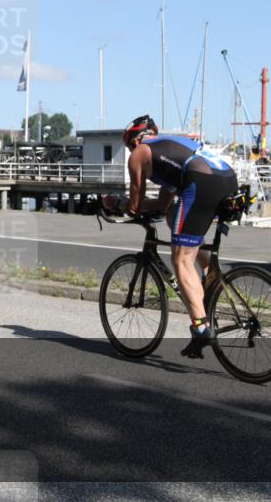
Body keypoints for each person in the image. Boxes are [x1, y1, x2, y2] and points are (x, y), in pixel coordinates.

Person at [103, 115, 238, 359]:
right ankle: (209, 278)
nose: (131, 152)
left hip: (201, 181)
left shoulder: (140, 154)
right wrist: (142, 207)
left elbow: (134, 207)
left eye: (129, 146)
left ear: (136, 140)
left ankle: (201, 328)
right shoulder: (170, 150)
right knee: (174, 215)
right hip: (227, 179)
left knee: (181, 260)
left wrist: (115, 203)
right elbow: (162, 204)